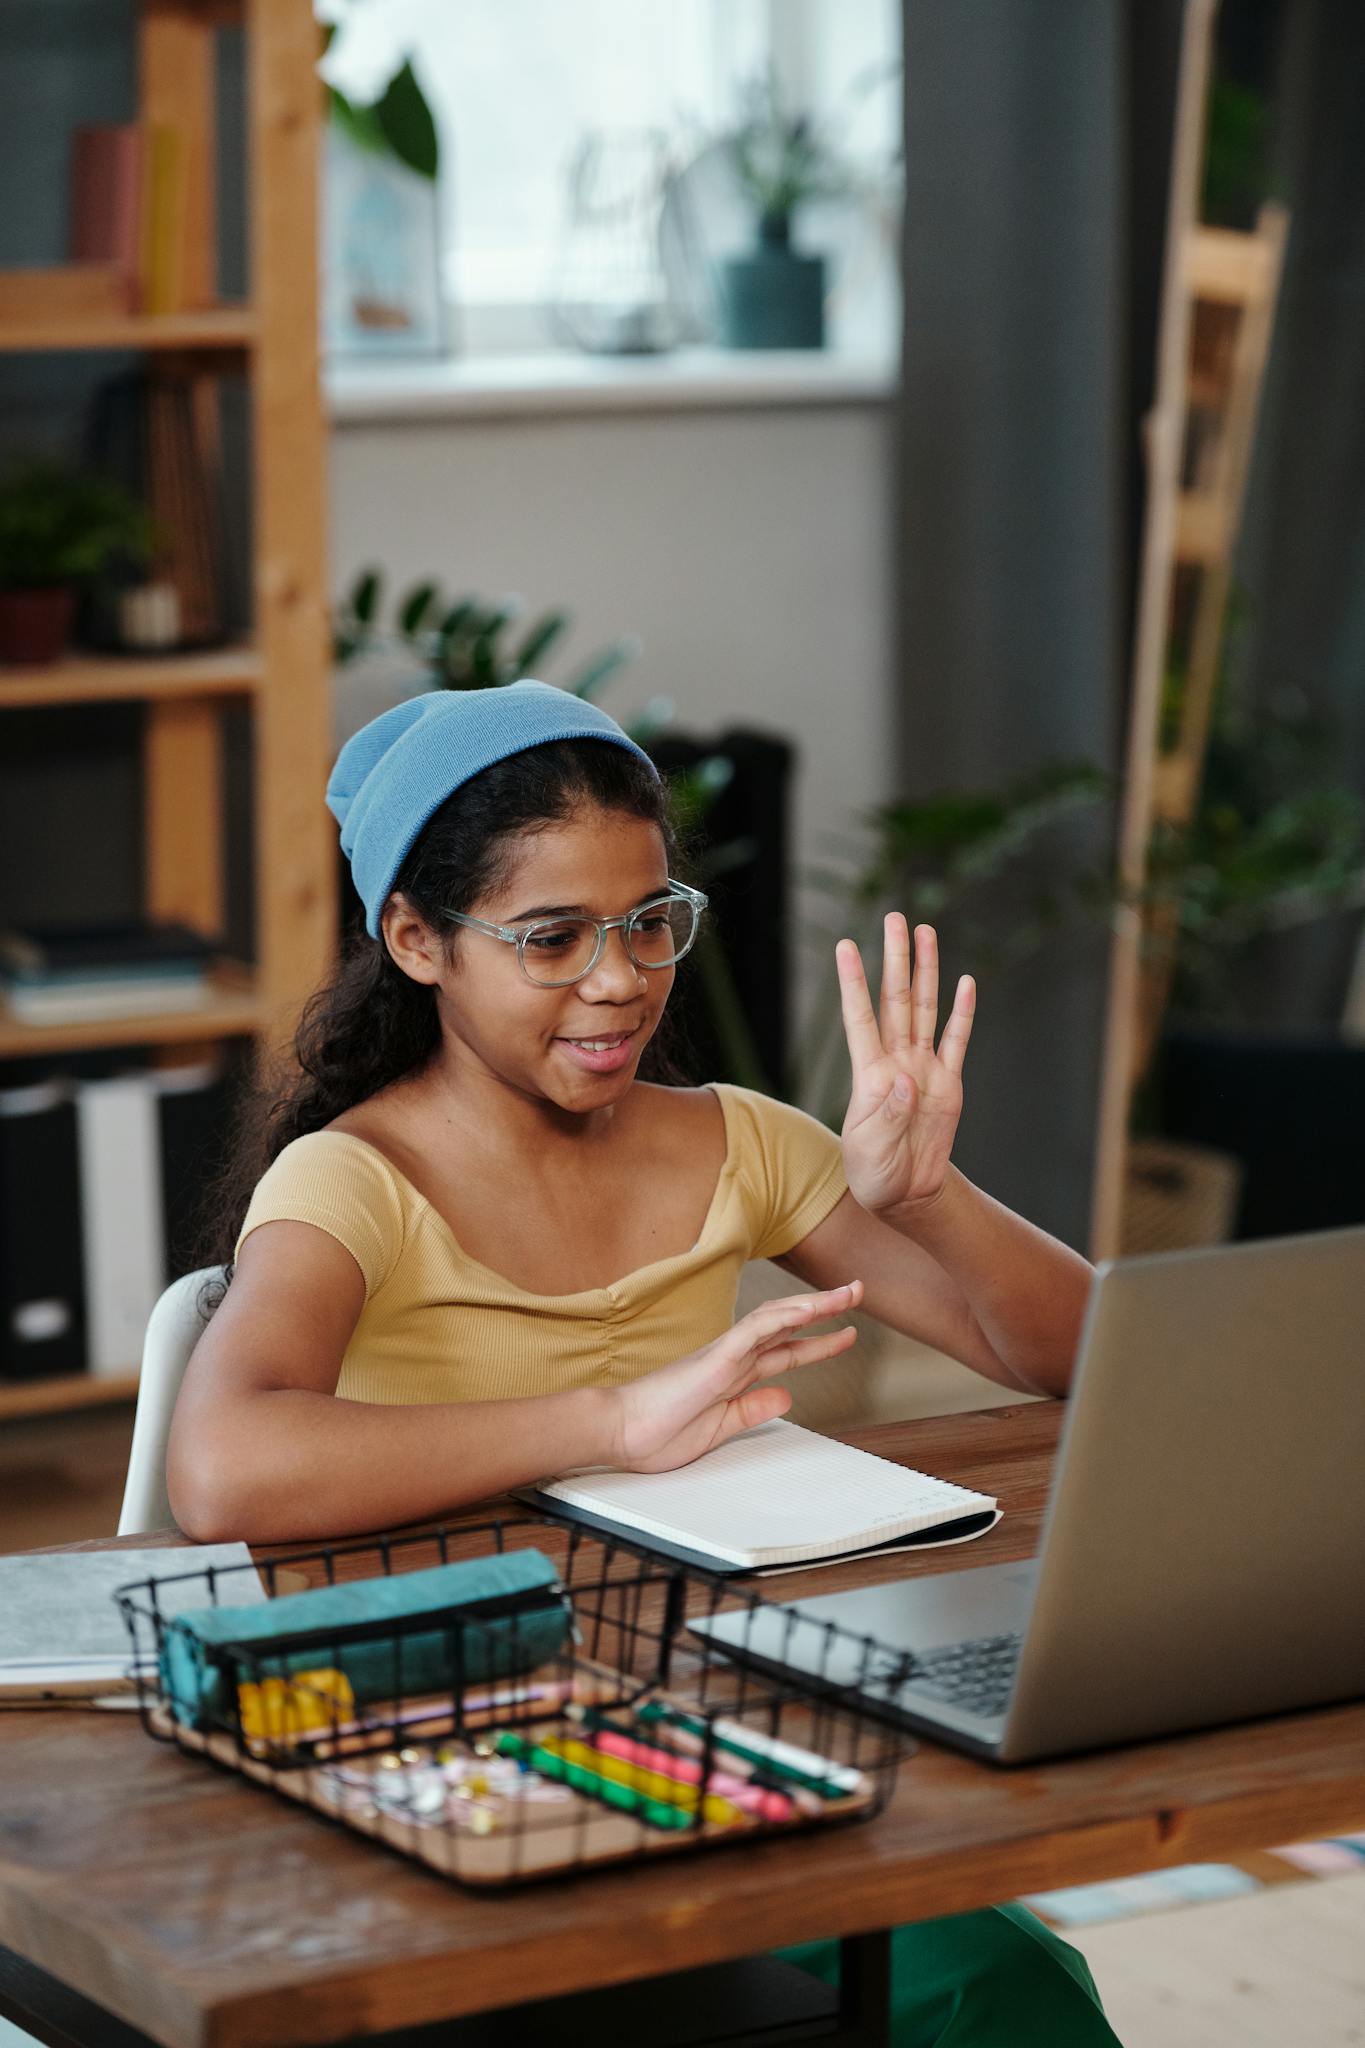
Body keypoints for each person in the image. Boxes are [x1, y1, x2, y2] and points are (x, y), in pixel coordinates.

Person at [168, 681, 1120, 2045]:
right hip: (444, 1735)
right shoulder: (355, 1181)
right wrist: (614, 1418)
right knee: (958, 1981)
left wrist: (927, 1199)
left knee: (1003, 1971)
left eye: (648, 923)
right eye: (552, 937)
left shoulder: (735, 1144)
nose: (617, 978)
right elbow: (222, 1468)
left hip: (703, 1701)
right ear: (417, 941)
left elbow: (1075, 1358)